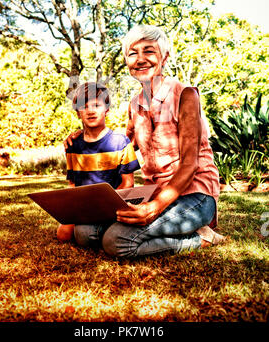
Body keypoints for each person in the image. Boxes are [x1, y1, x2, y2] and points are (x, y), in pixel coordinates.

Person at [65, 25, 225, 257]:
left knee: (116, 241)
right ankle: (168, 226)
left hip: (194, 195)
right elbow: (120, 144)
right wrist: (84, 135)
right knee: (84, 232)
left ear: (165, 57)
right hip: (153, 192)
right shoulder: (135, 104)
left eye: (148, 51)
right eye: (132, 53)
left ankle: (200, 238)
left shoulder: (186, 95)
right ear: (127, 61)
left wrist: (154, 208)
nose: (140, 59)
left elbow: (190, 165)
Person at [57, 82, 140, 242]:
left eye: (97, 105)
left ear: (107, 109)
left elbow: (128, 184)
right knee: (63, 234)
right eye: (84, 106)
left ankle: (107, 230)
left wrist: (105, 207)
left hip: (112, 206)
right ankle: (96, 230)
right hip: (85, 207)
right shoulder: (73, 145)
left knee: (85, 235)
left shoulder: (121, 142)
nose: (91, 111)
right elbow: (73, 186)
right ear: (78, 113)